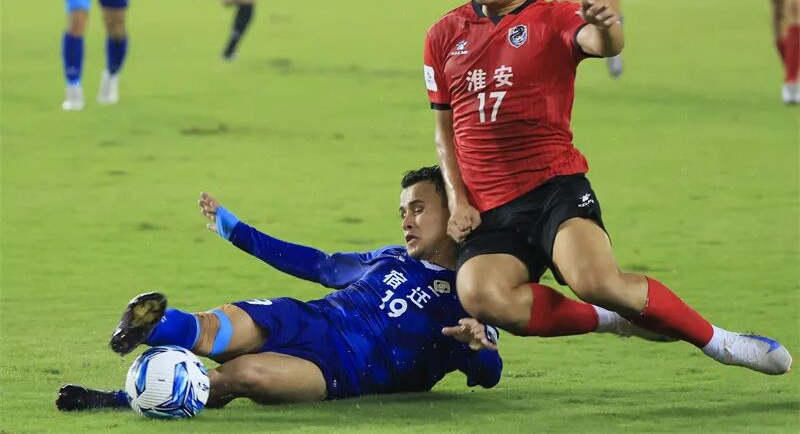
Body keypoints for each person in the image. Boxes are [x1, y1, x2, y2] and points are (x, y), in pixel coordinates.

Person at [423, 0, 792, 377]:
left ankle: (720, 342)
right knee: (482, 294)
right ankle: (610, 321)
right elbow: (444, 131)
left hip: (552, 189)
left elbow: (601, 42)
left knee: (596, 281)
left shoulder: (553, 19)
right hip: (490, 210)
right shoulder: (444, 34)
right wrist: (459, 200)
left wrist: (608, 26)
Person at [55, 166, 667, 411]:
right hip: (309, 318)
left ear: (453, 213)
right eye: (402, 210)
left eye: (418, 209)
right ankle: (149, 327)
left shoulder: (479, 288)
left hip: (343, 370)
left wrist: (480, 349)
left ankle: (120, 399)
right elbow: (318, 264)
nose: (406, 220)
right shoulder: (385, 259)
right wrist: (235, 230)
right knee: (216, 329)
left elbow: (488, 376)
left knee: (244, 376)